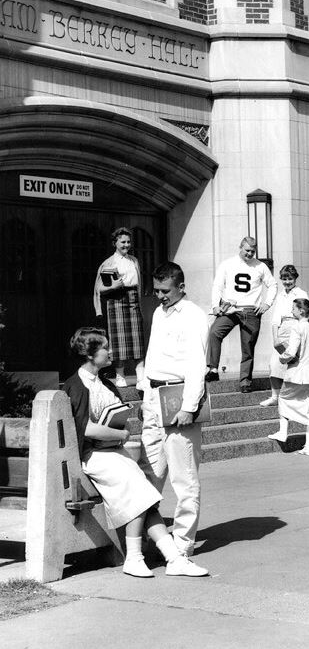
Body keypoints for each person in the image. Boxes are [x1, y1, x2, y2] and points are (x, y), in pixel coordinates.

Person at [63, 327, 208, 578]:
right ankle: (134, 558)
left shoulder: (105, 383)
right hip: (93, 457)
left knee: (146, 495)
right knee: (140, 490)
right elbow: (83, 427)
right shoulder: (75, 385)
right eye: (105, 348)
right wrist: (119, 434)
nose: (111, 352)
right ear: (90, 354)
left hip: (113, 453)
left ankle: (173, 559)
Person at [139, 261, 209, 564]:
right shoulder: (158, 312)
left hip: (178, 396)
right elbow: (152, 353)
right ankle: (143, 536)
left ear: (181, 287)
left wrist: (188, 407)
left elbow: (197, 364)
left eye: (165, 291)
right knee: (148, 474)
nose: (160, 296)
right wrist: (144, 394)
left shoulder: (193, 315)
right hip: (154, 396)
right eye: (156, 291)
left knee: (184, 479)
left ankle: (182, 544)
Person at [205, 237, 277, 392]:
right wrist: (215, 306)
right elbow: (217, 285)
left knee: (248, 347)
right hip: (230, 308)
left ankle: (245, 382)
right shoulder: (227, 264)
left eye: (252, 251)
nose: (250, 254)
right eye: (247, 250)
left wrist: (267, 303)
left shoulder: (260, 266)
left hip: (251, 311)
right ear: (240, 247)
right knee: (214, 332)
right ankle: (213, 370)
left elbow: (272, 285)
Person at [267, 299, 309, 455]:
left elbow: (291, 352)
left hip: (298, 374)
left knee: (283, 399)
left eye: (294, 308)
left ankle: (283, 432)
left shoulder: (297, 327)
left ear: (301, 311)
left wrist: (282, 358)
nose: (292, 311)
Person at [93, 227, 145, 388]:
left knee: (137, 340)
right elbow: (99, 289)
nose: (126, 245)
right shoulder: (109, 263)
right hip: (116, 301)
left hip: (133, 300)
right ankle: (120, 376)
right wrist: (113, 286)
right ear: (115, 243)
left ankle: (141, 377)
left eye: (128, 242)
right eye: (123, 242)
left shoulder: (134, 260)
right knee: (118, 342)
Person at [260, 264, 309, 408]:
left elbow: (305, 316)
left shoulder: (301, 294)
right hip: (282, 330)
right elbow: (275, 319)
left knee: (294, 364)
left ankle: (297, 398)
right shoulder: (281, 295)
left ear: (295, 278)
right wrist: (276, 338)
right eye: (285, 279)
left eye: (290, 278)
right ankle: (275, 396)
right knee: (275, 363)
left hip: (296, 328)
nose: (287, 281)